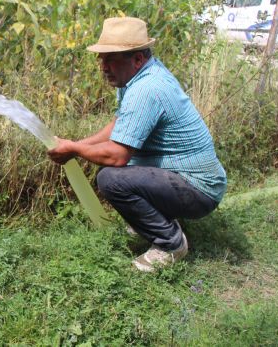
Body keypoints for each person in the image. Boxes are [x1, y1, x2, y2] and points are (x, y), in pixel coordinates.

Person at [47, 17, 227, 272]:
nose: (103, 66)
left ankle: (170, 245)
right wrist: (77, 144)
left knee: (111, 178)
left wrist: (74, 150)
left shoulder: (147, 89)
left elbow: (117, 155)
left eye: (110, 58)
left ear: (137, 59)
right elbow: (120, 125)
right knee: (121, 169)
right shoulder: (138, 76)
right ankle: (158, 221)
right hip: (190, 179)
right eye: (101, 58)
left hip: (199, 189)